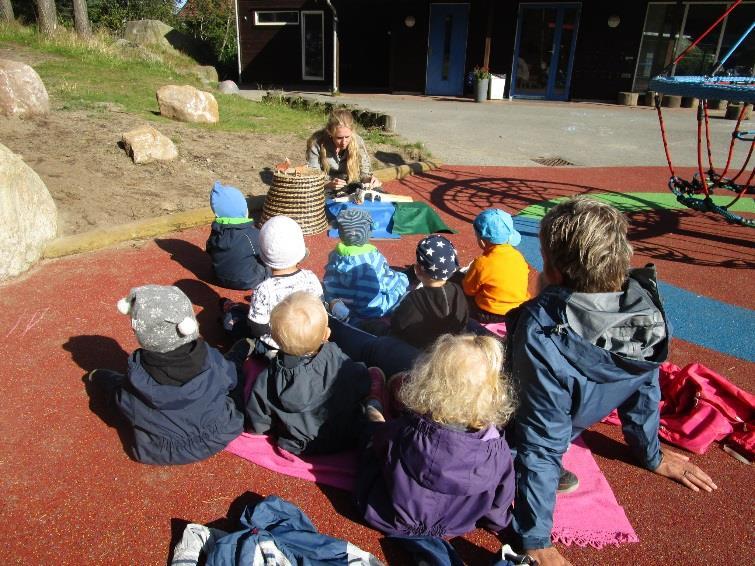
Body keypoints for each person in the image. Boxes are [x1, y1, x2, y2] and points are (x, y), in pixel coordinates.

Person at [507, 196, 717, 566]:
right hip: (576, 404)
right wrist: (649, 454)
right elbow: (645, 387)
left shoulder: (538, 327)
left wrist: (535, 539)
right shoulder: (645, 305)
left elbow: (540, 438)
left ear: (557, 268)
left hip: (532, 424)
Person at [354, 334, 516, 537]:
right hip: (453, 525)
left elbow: (379, 444)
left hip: (388, 515)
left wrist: (376, 429)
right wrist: (501, 525)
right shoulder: (497, 451)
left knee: (372, 430)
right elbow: (499, 503)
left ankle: (374, 405)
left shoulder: (409, 431)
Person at [87, 285, 248, 465]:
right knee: (231, 372)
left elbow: (124, 404)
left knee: (117, 390)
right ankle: (242, 349)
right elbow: (231, 379)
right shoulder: (209, 357)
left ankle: (98, 376)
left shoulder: (138, 379)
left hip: (165, 450)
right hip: (222, 431)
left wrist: (104, 378)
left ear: (140, 331)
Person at [245, 291, 385, 455]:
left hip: (299, 445)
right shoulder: (336, 356)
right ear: (326, 335)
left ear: (276, 340)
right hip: (346, 436)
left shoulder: (268, 378)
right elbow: (360, 382)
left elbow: (258, 419)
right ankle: (374, 406)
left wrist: (260, 428)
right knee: (361, 395)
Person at [247, 215, 323, 354]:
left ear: (263, 255)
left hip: (275, 347)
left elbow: (257, 328)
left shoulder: (264, 289)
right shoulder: (311, 278)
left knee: (239, 324)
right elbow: (320, 309)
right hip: (311, 343)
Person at [323, 208, 409, 320]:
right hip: (370, 309)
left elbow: (328, 280)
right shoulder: (373, 258)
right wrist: (401, 280)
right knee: (401, 282)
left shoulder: (334, 255)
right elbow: (387, 281)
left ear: (340, 233)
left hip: (343, 301)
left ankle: (342, 312)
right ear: (368, 232)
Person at [390, 235, 469, 350]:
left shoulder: (414, 298)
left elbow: (397, 324)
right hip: (451, 348)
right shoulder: (457, 290)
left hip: (420, 351)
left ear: (417, 270)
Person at [463, 208, 531, 324]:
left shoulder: (482, 263)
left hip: (490, 313)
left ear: (482, 241)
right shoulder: (518, 256)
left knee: (462, 296)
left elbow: (469, 290)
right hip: (519, 309)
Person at [205, 181, 268, 290]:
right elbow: (266, 254)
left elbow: (209, 249)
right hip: (249, 280)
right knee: (271, 264)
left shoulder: (216, 231)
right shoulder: (251, 235)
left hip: (218, 277)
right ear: (245, 210)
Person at [306, 108, 381, 191]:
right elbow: (312, 177)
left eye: (347, 137)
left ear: (352, 132)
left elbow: (364, 175)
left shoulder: (358, 141)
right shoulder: (316, 143)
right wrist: (327, 184)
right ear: (330, 133)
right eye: (339, 138)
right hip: (324, 188)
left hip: (351, 184)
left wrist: (370, 180)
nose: (344, 142)